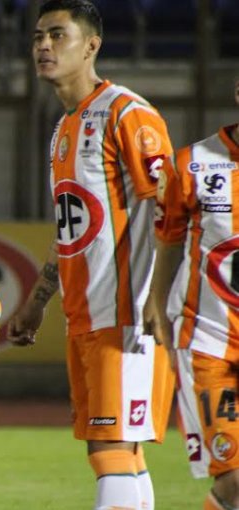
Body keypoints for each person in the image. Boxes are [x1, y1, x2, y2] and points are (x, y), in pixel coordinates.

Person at [7, 1, 176, 509]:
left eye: (58, 35)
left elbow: (171, 204)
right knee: (120, 450)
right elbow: (72, 229)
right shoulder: (63, 129)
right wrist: (39, 298)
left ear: (92, 45)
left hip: (126, 314)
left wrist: (157, 297)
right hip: (86, 313)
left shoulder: (127, 113)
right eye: (39, 36)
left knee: (110, 448)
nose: (43, 46)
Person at [147, 80, 239, 510]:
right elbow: (168, 242)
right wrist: (156, 304)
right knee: (235, 479)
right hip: (208, 342)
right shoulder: (192, 164)